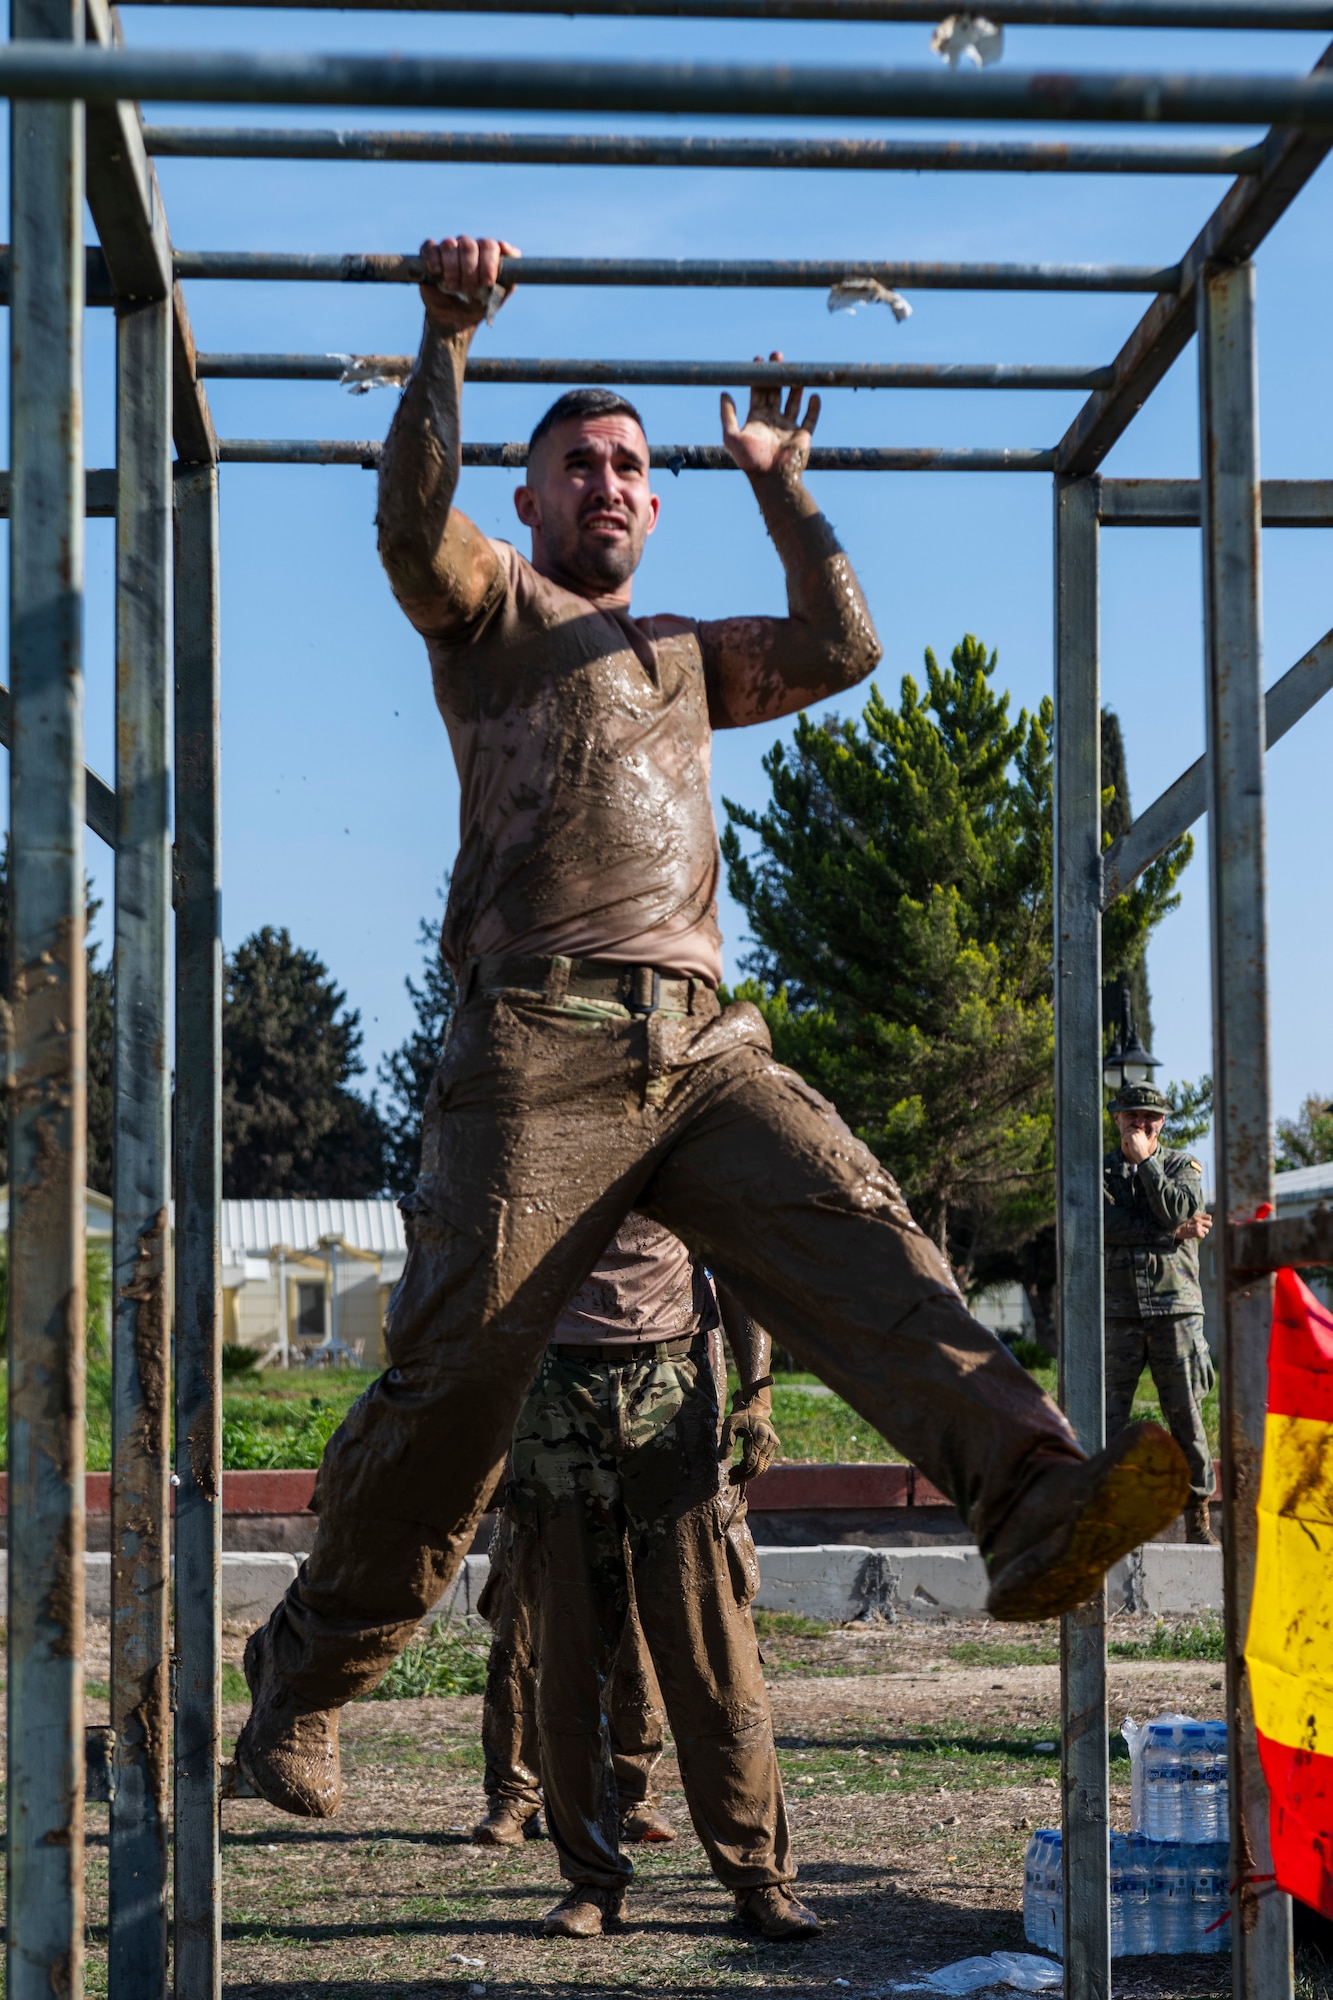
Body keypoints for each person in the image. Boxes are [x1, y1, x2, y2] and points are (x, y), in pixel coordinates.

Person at [235, 232, 1190, 1828]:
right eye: (577, 465)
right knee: (450, 1393)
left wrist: (778, 480)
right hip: (535, 1047)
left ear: (654, 503)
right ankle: (307, 1681)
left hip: (702, 1049)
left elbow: (843, 647)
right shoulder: (493, 612)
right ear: (529, 499)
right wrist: (444, 342)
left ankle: (1029, 1498)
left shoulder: (683, 654)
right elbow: (410, 529)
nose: (607, 483)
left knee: (864, 1237)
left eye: (629, 466)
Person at [497, 1211, 813, 1941]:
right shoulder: (534, 1135)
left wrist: (756, 1393)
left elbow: (735, 1257)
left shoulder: (677, 1128)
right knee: (571, 1655)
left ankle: (757, 1880)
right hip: (553, 1391)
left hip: (671, 1381)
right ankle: (591, 1885)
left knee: (711, 1654)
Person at [473, 1509, 678, 1852]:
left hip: (621, 1502)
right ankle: (513, 1797)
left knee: (632, 1649)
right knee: (516, 1648)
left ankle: (632, 1797)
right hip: (533, 1497)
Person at [1103, 1083, 1216, 1545]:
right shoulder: (1100, 1172)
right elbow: (1100, 1226)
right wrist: (1172, 1233)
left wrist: (1146, 1163)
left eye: (1149, 1119)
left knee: (1186, 1418)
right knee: (1102, 1420)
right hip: (1118, 1313)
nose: (1140, 1125)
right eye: (1132, 1117)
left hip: (1175, 1311)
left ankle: (1198, 1522)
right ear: (1117, 1120)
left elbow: (1178, 1207)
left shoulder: (1180, 1166)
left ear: (1162, 1123)